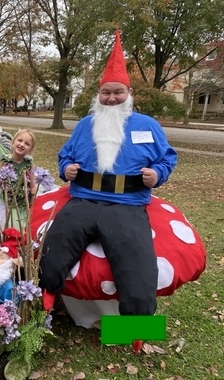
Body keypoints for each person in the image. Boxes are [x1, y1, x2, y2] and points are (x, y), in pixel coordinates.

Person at [39, 31, 178, 317]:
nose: (111, 98)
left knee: (137, 267)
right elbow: (64, 155)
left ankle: (134, 332)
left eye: (118, 92)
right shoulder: (84, 125)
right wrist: (66, 169)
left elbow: (167, 158)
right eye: (106, 92)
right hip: (83, 200)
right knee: (52, 255)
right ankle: (41, 316)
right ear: (98, 95)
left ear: (128, 95)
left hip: (128, 205)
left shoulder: (147, 125)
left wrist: (158, 173)